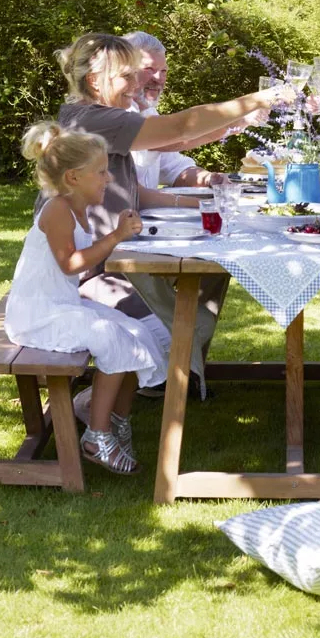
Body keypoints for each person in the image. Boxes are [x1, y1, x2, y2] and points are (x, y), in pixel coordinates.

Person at [53, 32, 280, 397]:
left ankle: (173, 379)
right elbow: (181, 129)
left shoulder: (96, 118)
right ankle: (97, 404)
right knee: (170, 331)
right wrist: (257, 99)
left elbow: (136, 187)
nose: (136, 84)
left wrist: (207, 203)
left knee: (206, 276)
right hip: (89, 272)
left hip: (113, 255)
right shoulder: (96, 120)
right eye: (127, 75)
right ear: (94, 81)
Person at [6, 122, 166, 475]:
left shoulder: (77, 209)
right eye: (102, 172)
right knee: (109, 336)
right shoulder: (56, 210)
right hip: (38, 314)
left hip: (63, 305)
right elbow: (70, 264)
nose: (109, 179)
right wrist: (116, 237)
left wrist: (117, 235)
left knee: (138, 332)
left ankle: (116, 420)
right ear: (73, 177)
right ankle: (96, 436)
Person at [123, 31, 227, 193]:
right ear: (125, 71)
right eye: (149, 69)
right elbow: (178, 135)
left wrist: (210, 179)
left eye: (164, 71)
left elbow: (175, 168)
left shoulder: (149, 112)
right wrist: (230, 123)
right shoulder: (114, 114)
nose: (159, 78)